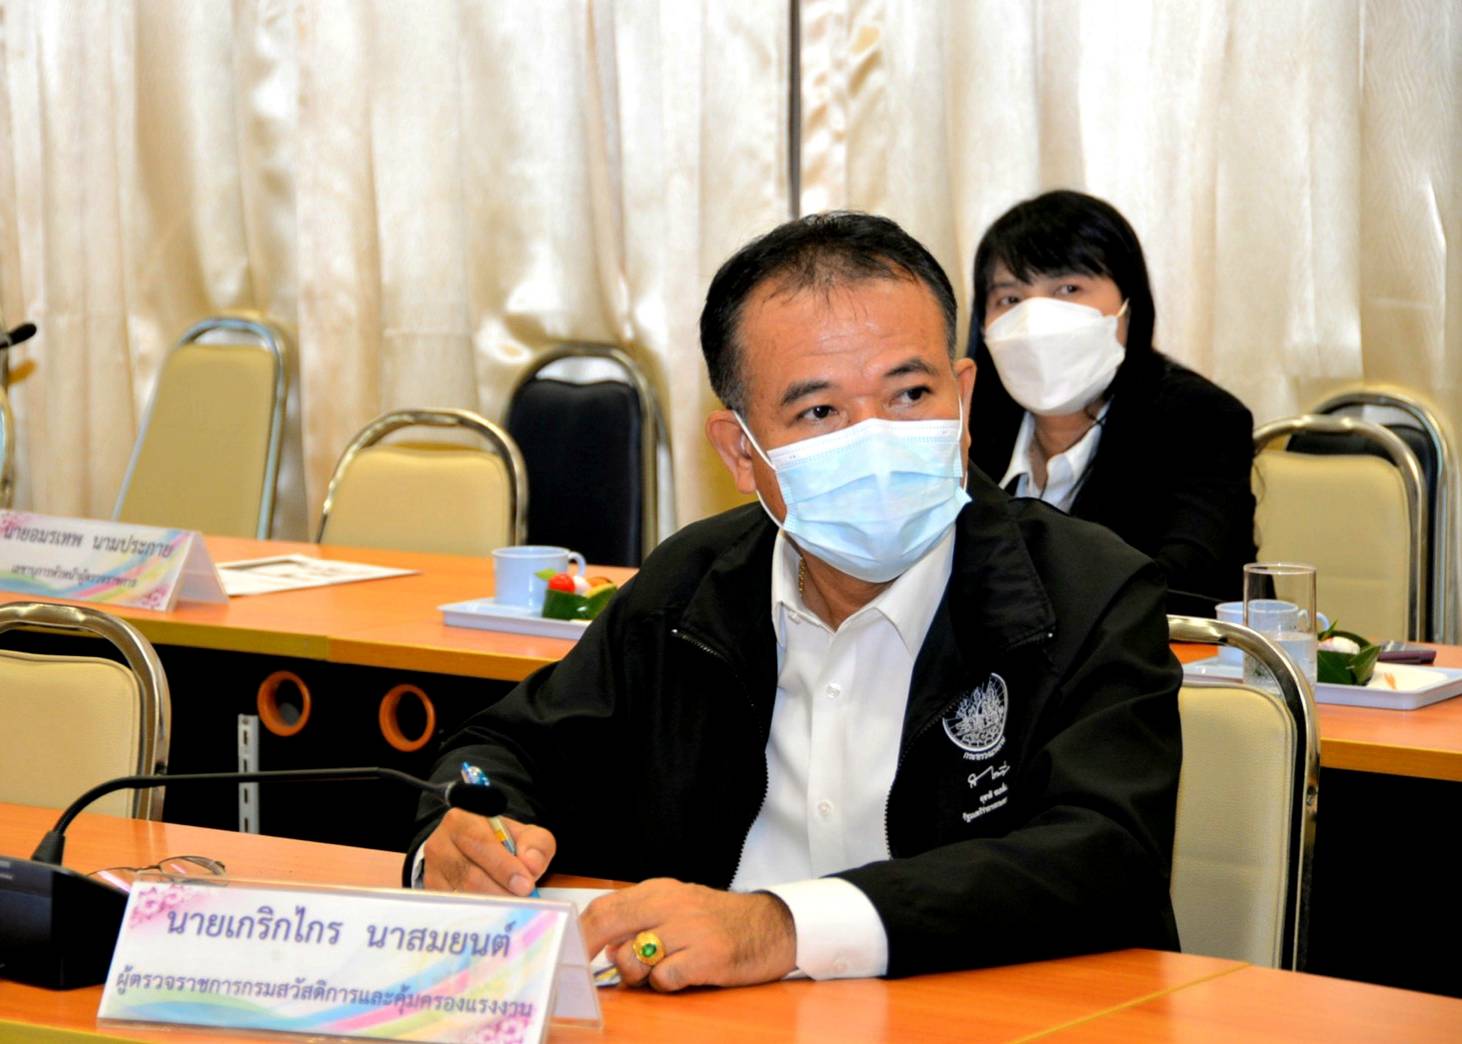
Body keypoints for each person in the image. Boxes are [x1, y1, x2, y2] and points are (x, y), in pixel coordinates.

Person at [407, 212, 1182, 990]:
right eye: (820, 412)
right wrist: (464, 829)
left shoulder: (1092, 594)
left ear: (964, 398)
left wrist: (784, 927)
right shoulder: (688, 587)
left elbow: (1105, 858)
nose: (876, 440)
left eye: (911, 393)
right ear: (742, 452)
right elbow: (501, 749)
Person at [967, 190, 1257, 615]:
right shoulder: (965, 424)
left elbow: (1185, 587)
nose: (1035, 320)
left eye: (1068, 288)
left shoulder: (1200, 419)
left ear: (1128, 305)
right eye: (1009, 299)